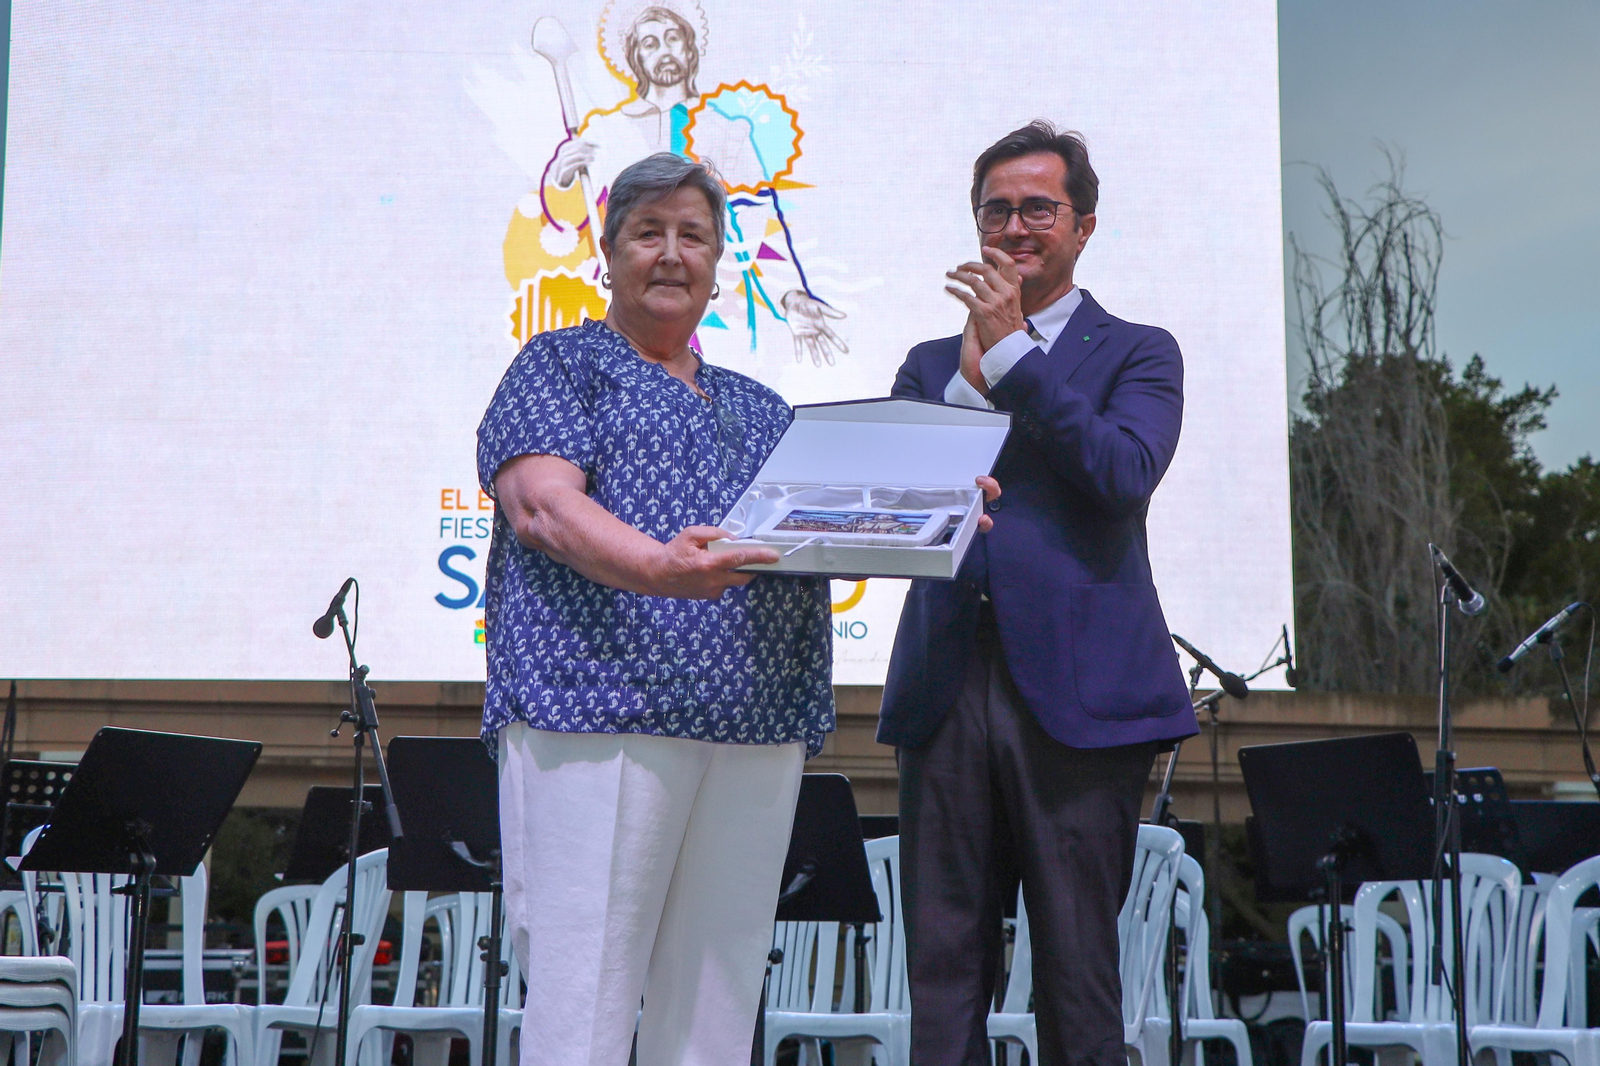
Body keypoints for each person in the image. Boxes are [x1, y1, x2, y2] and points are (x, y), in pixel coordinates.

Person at [475, 152, 834, 1066]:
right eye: (649, 233)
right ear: (609, 250)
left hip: (755, 724)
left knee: (716, 1009)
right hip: (597, 717)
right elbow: (540, 506)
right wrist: (657, 567)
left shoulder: (763, 408)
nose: (672, 254)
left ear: (720, 263)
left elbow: (834, 522)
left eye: (694, 236)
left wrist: (943, 507)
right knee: (583, 995)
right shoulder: (561, 365)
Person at [880, 121, 1200, 1066]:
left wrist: (1019, 354)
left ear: (1084, 224)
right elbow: (897, 509)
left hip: (1080, 701)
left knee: (1076, 974)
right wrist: (972, 389)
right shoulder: (928, 364)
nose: (1015, 227)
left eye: (1038, 209)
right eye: (996, 210)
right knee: (940, 973)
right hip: (944, 686)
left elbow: (1120, 475)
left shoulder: (1140, 351)